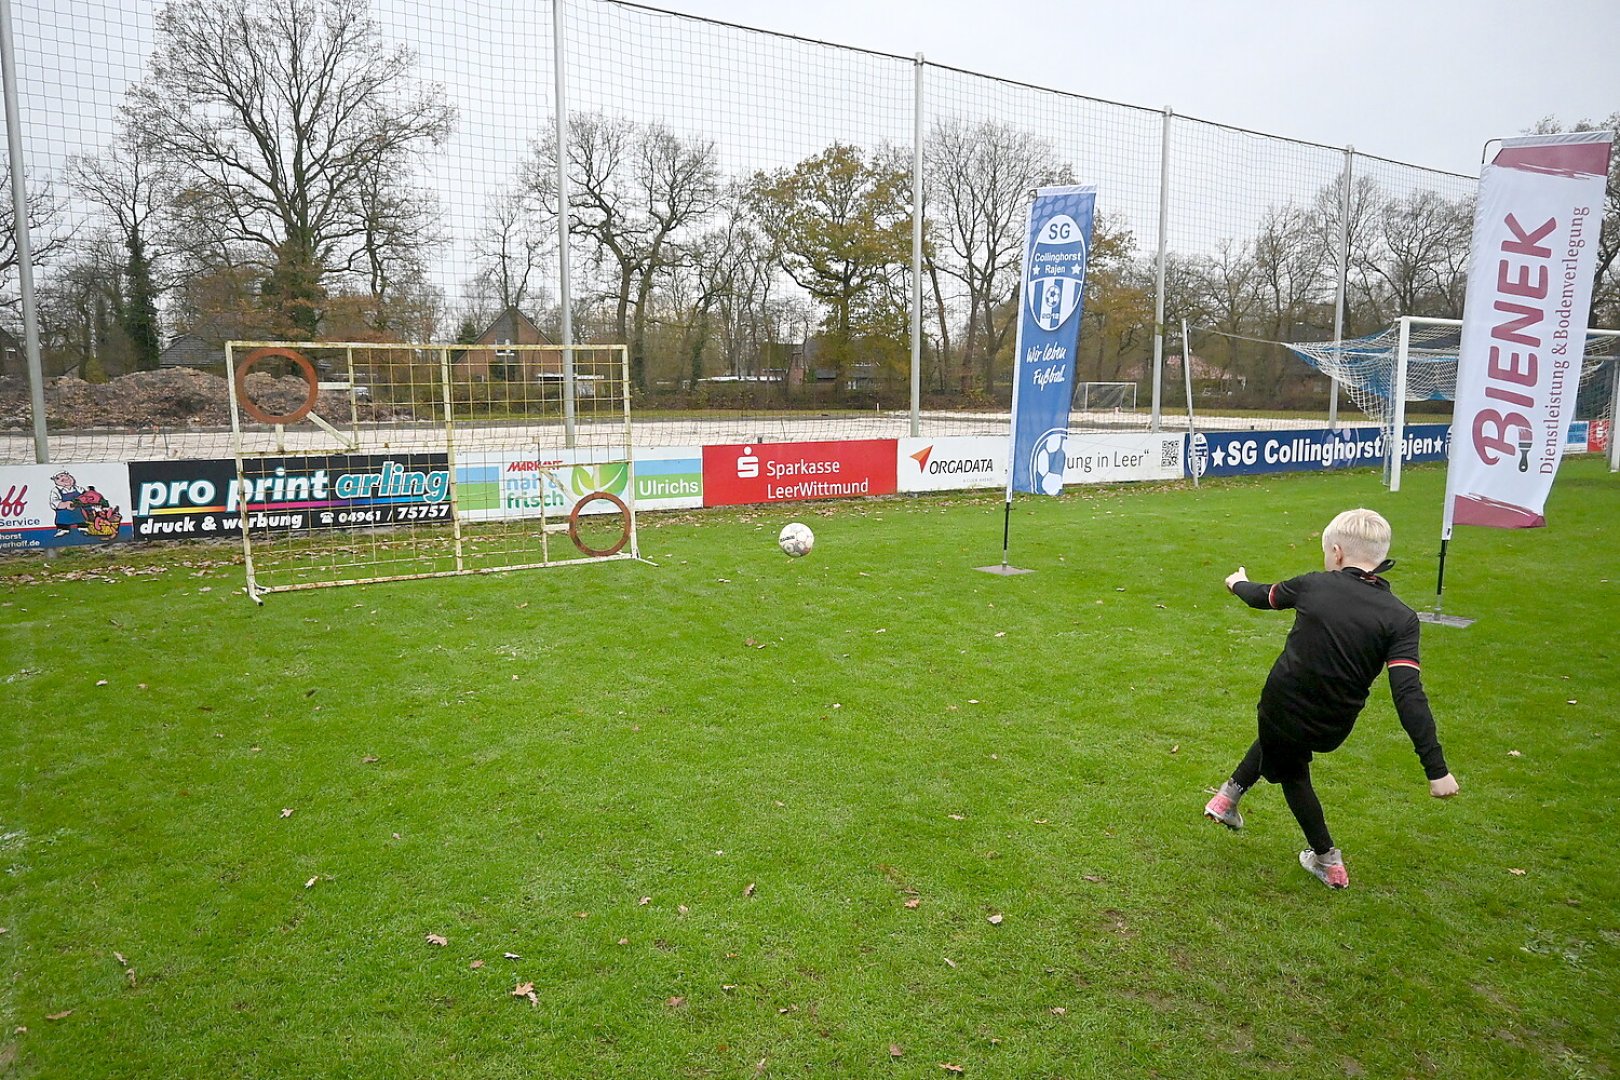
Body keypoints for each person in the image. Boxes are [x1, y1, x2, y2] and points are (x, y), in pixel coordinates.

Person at [1203, 507, 1459, 889]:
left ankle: (1327, 859)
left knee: (1290, 766)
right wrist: (1436, 769)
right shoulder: (1401, 618)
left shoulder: (1314, 584)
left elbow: (1261, 596)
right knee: (1282, 741)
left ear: (1337, 553)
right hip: (1334, 722)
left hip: (1280, 701)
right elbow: (1408, 694)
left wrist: (1237, 582)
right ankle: (1226, 800)